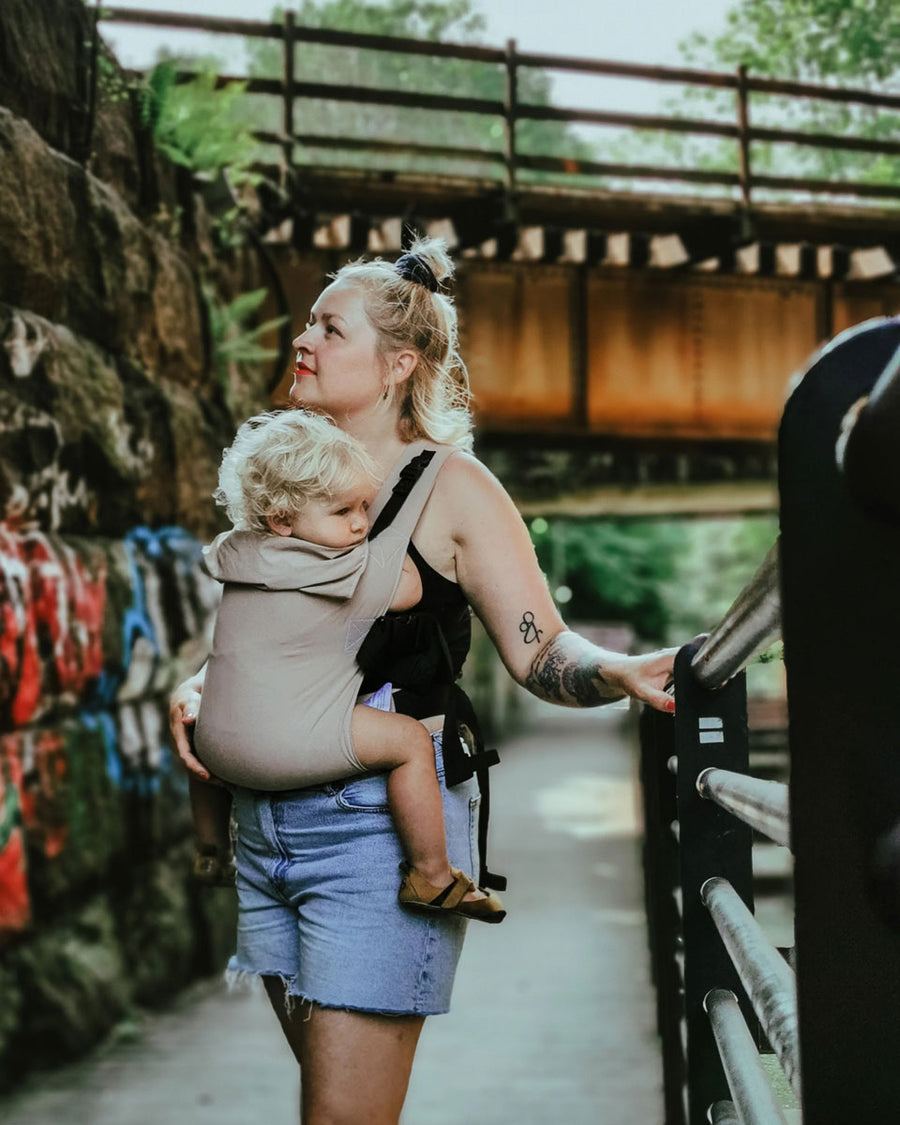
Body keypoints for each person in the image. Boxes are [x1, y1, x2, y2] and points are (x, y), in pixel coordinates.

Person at [169, 237, 677, 1125]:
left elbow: (541, 650)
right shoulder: (289, 476)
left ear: (400, 363)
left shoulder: (456, 490)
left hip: (380, 840)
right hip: (268, 836)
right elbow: (279, 627)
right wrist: (202, 683)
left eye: (330, 326)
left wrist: (620, 671)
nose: (303, 339)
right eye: (308, 321)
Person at [189, 407, 504, 923]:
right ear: (283, 520)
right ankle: (432, 875)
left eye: (366, 505)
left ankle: (210, 851)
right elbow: (411, 588)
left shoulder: (237, 556)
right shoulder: (340, 573)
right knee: (406, 742)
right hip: (287, 749)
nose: (361, 522)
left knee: (213, 724)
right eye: (344, 512)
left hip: (215, 756)